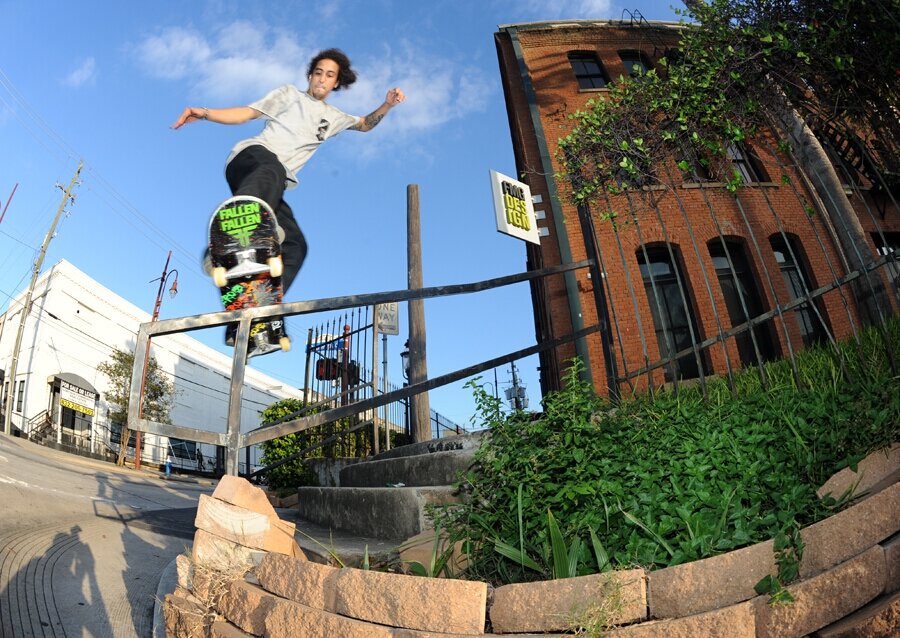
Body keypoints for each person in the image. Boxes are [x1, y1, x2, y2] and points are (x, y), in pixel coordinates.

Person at [171, 48, 406, 295]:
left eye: (329, 75)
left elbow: (365, 124)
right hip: (250, 159)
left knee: (295, 244)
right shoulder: (289, 95)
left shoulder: (334, 117)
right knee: (273, 169)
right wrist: (205, 113)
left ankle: (259, 300)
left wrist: (388, 104)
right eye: (318, 73)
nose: (322, 79)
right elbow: (247, 113)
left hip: (269, 185)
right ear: (310, 76)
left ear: (336, 83)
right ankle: (226, 243)